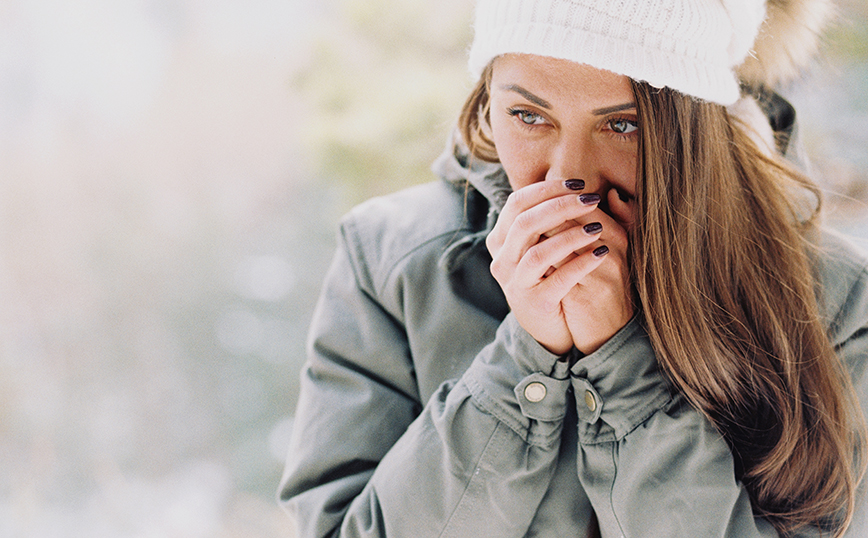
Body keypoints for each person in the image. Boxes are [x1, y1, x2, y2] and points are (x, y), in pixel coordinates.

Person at [279, 0, 868, 536]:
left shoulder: (828, 297)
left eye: (623, 124)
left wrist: (624, 372)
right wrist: (522, 367)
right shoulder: (390, 261)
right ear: (488, 99)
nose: (569, 178)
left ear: (693, 130)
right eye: (528, 116)